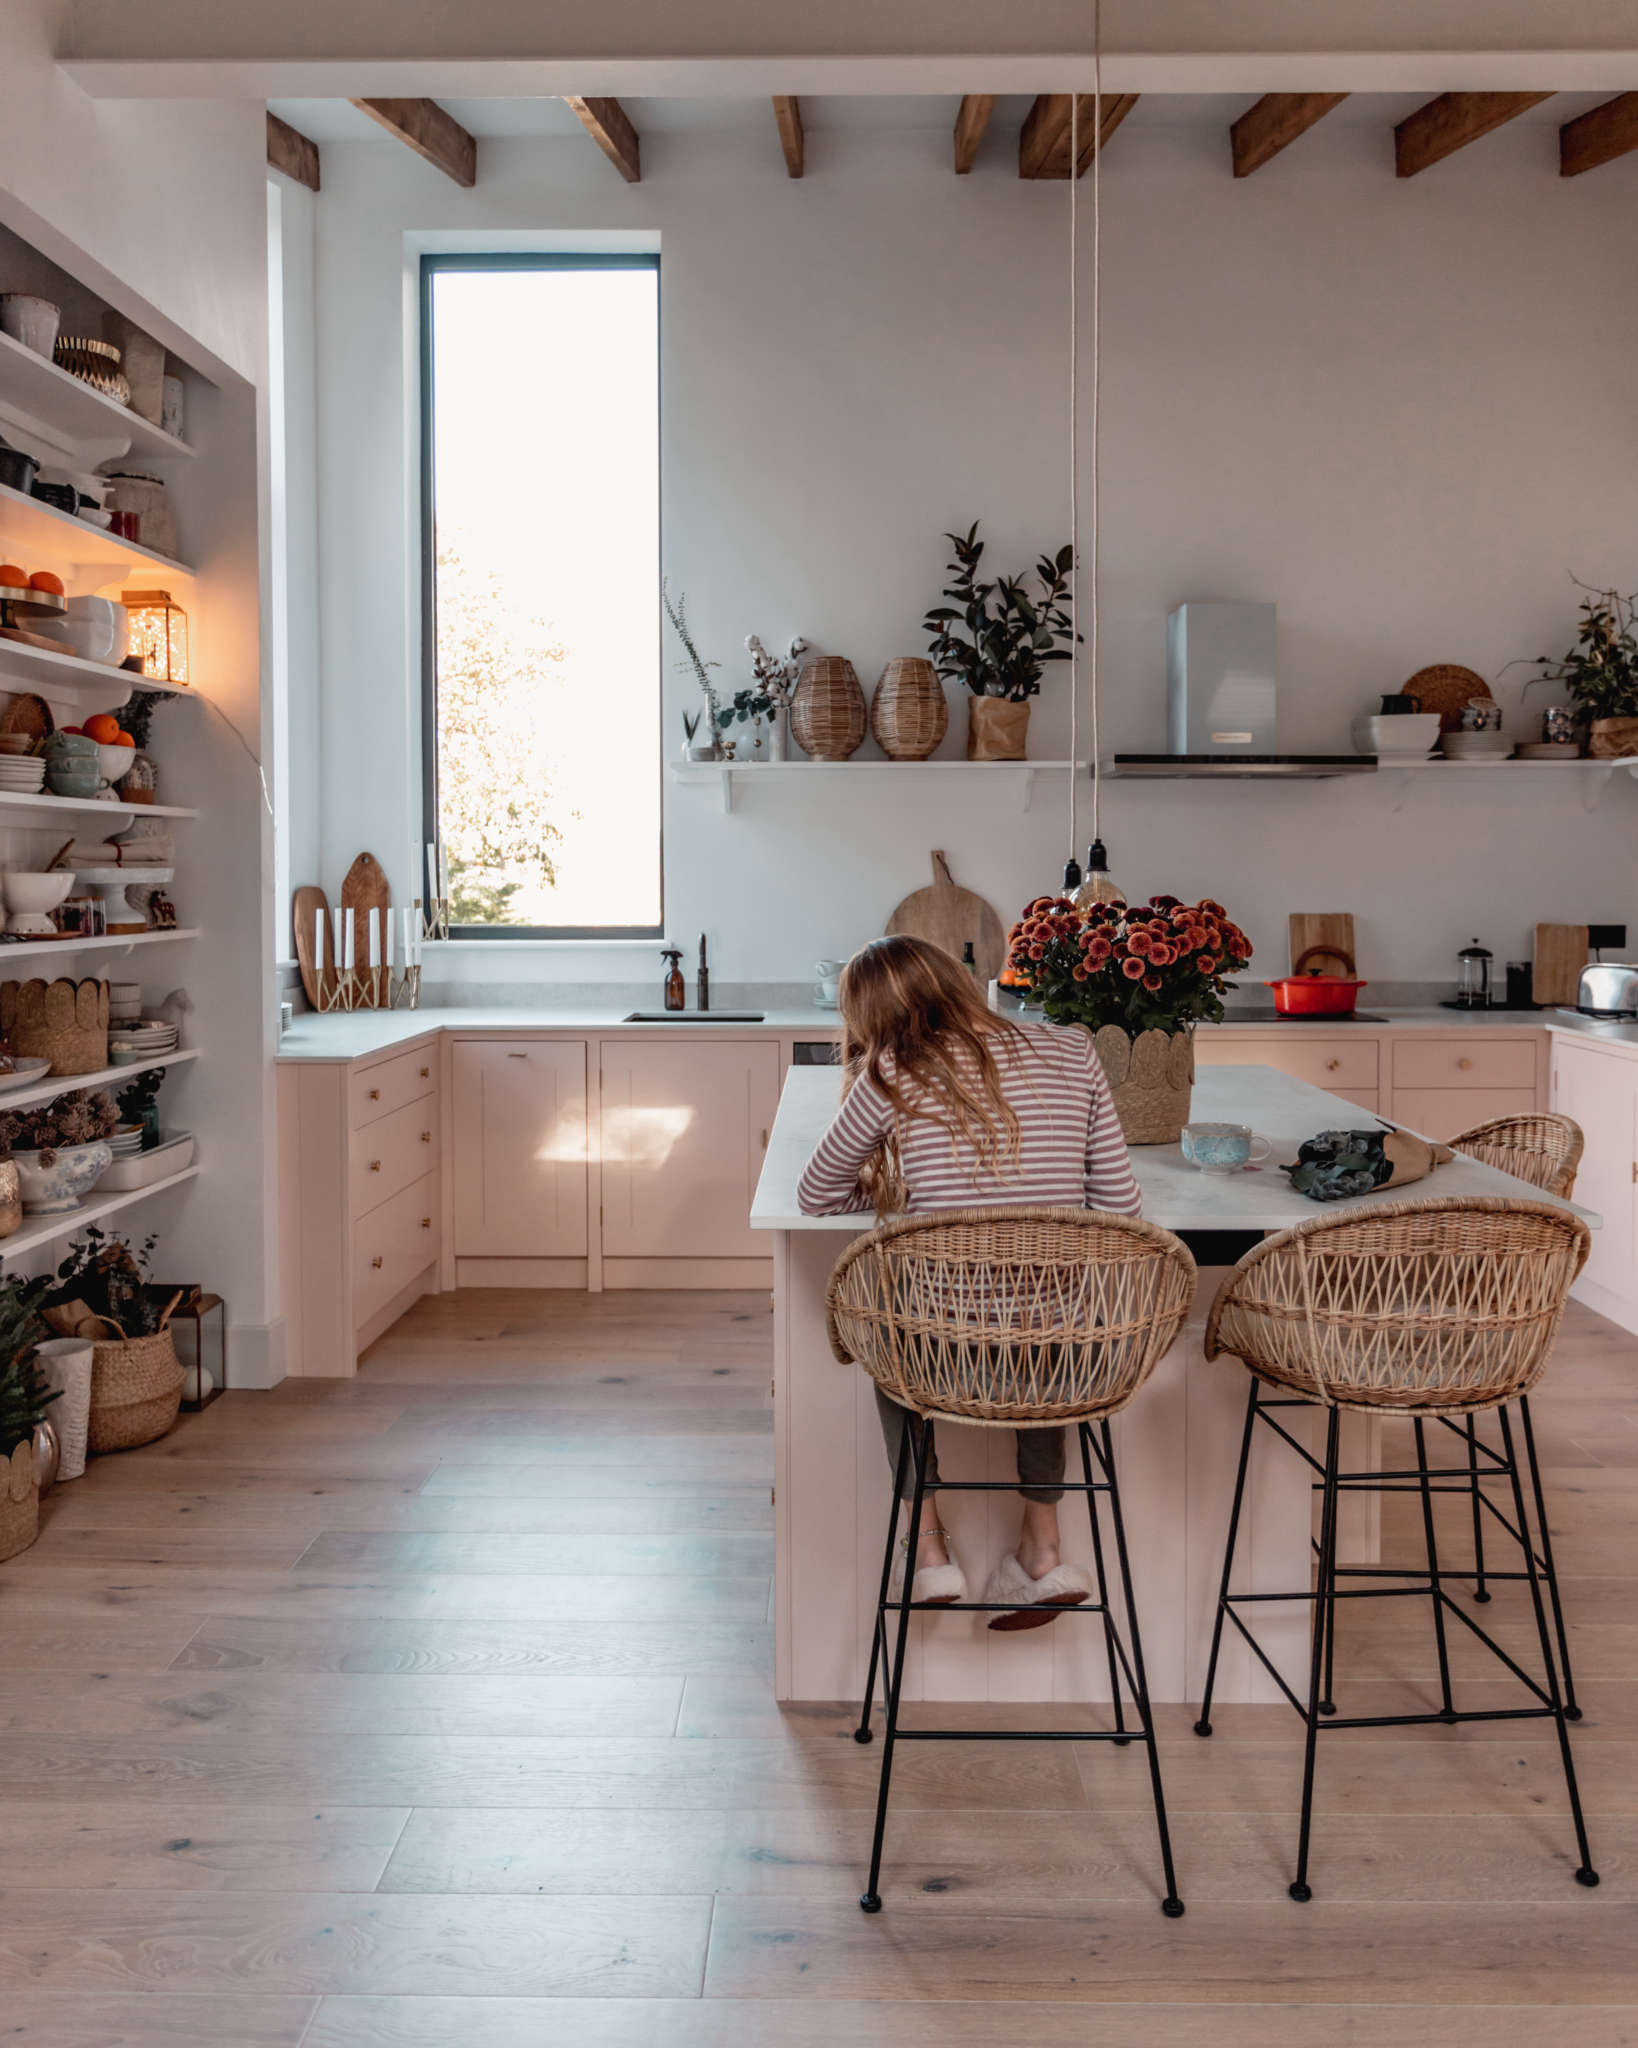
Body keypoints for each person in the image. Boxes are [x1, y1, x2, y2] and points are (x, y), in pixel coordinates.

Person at [797, 933, 1141, 1629]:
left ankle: (928, 1552)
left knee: (889, 1322)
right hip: (1064, 1361)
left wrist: (904, 1194)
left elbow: (816, 1195)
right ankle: (1042, 1549)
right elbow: (1122, 1212)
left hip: (941, 1355)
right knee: (1053, 1314)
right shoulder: (1073, 1048)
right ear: (957, 981)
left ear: (870, 1019)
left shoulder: (892, 1069)